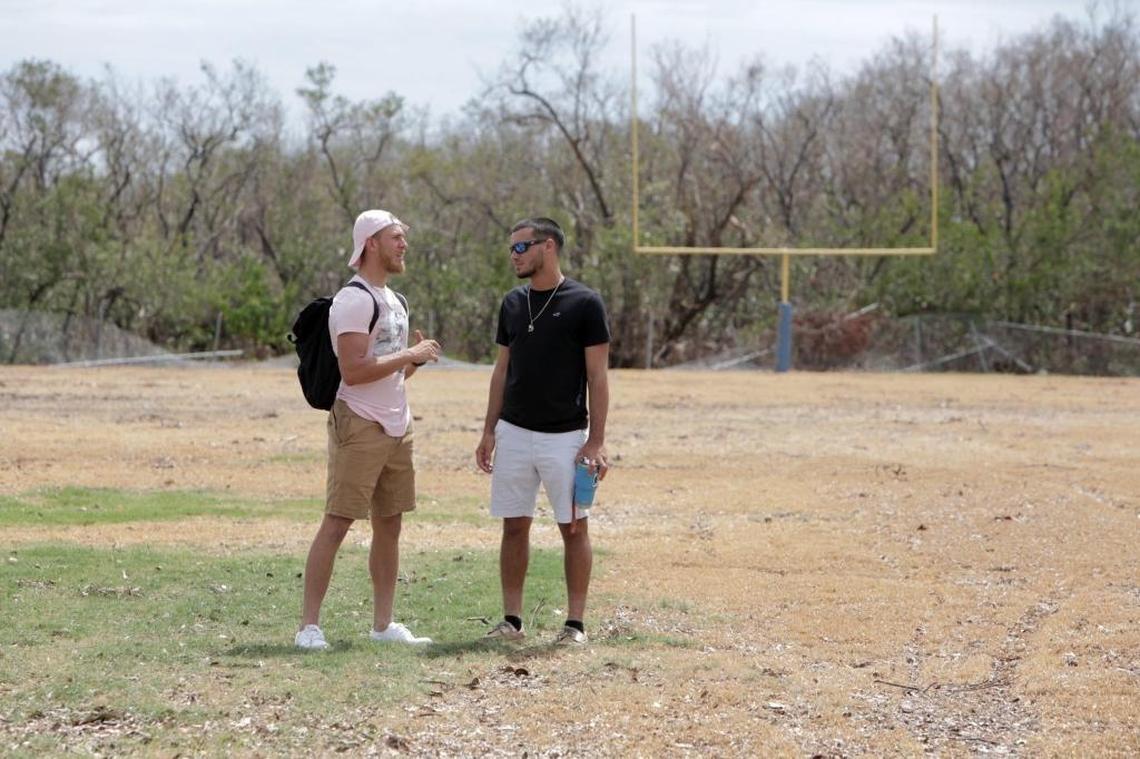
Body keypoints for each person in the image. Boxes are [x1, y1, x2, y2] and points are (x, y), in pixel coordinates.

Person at [295, 209, 442, 651]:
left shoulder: (395, 301)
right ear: (372, 243)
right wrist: (409, 353)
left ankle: (383, 625)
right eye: (396, 238)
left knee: (390, 522)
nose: (404, 245)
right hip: (358, 423)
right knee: (338, 522)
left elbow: (390, 373)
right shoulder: (354, 300)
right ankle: (309, 628)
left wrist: (411, 361)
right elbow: (355, 372)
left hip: (397, 424)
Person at [475, 216, 610, 646]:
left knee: (573, 527)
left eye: (520, 247)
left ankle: (575, 625)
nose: (513, 255)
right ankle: (511, 620)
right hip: (514, 432)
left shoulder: (585, 303)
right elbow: (501, 372)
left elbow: (598, 377)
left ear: (547, 247)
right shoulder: (512, 304)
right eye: (511, 248)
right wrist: (489, 431)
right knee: (514, 526)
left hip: (566, 437)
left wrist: (596, 440)